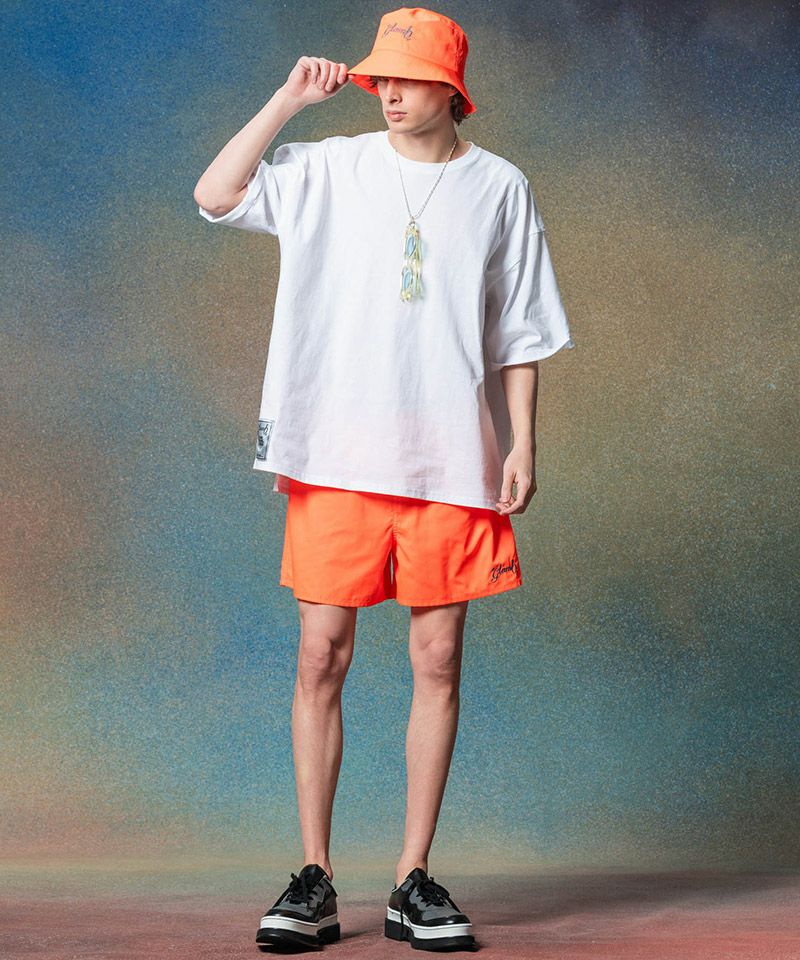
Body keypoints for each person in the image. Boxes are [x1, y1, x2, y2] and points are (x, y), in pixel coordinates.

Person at [194, 7, 574, 952]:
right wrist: (288, 100)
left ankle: (412, 880)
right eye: (380, 79)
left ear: (453, 88)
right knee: (320, 654)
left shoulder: (499, 186)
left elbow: (521, 331)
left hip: (452, 458)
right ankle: (315, 879)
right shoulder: (328, 169)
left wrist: (522, 444)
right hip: (335, 454)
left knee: (437, 660)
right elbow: (215, 193)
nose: (389, 93)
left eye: (408, 78)